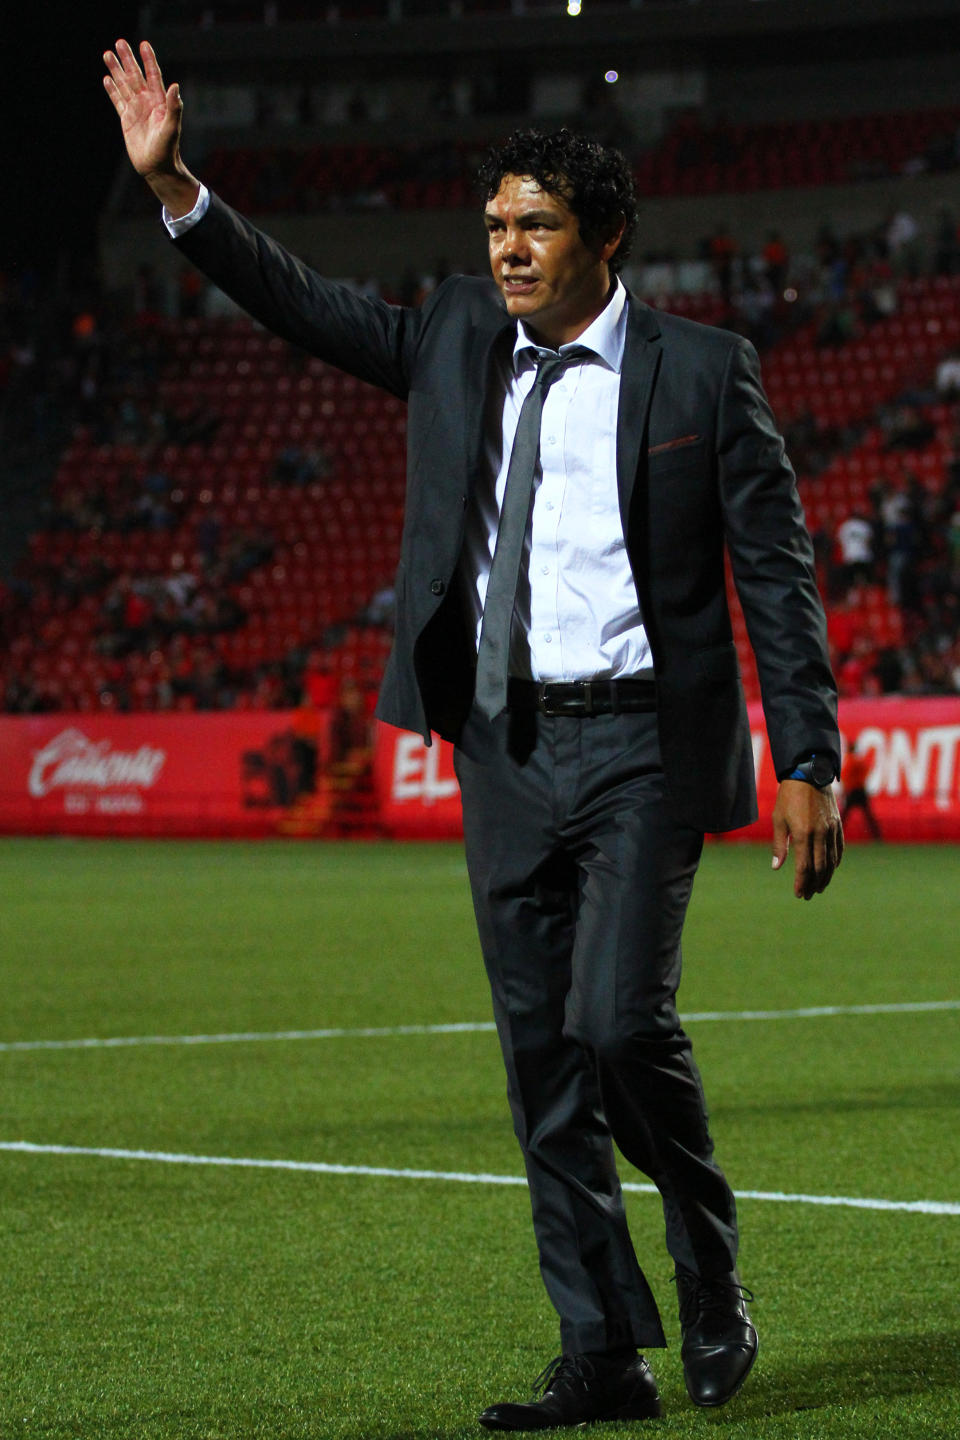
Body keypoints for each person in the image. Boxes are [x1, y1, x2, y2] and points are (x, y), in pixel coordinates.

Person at [104, 39, 844, 1430]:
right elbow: (303, 303)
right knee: (540, 1064)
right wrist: (182, 189)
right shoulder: (451, 336)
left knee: (620, 1026)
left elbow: (779, 581)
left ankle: (708, 1268)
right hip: (500, 744)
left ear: (605, 238)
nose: (507, 248)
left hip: (640, 748)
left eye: (537, 225)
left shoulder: (702, 372)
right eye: (496, 224)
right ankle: (602, 1351)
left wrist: (810, 757)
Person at [840, 738, 882, 840]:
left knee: (844, 815)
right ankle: (877, 836)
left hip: (852, 791)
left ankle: (837, 834)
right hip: (861, 790)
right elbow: (867, 771)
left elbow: (844, 777)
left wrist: (845, 791)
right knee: (868, 815)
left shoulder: (850, 760)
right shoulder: (859, 760)